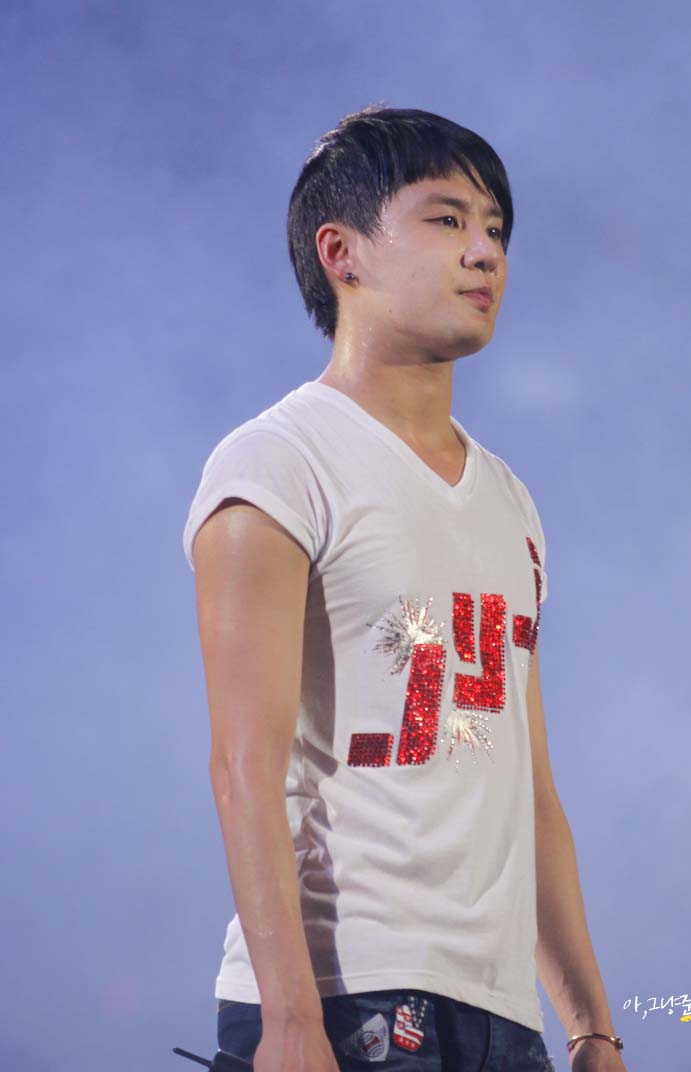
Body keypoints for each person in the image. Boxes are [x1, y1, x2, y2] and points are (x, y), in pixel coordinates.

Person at [182, 106, 628, 1072]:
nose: (485, 251)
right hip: (346, 997)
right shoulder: (277, 462)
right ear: (341, 252)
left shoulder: (510, 500)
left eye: (496, 227)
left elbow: (529, 789)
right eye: (447, 219)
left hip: (500, 1013)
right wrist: (290, 1022)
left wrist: (591, 1024)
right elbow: (242, 764)